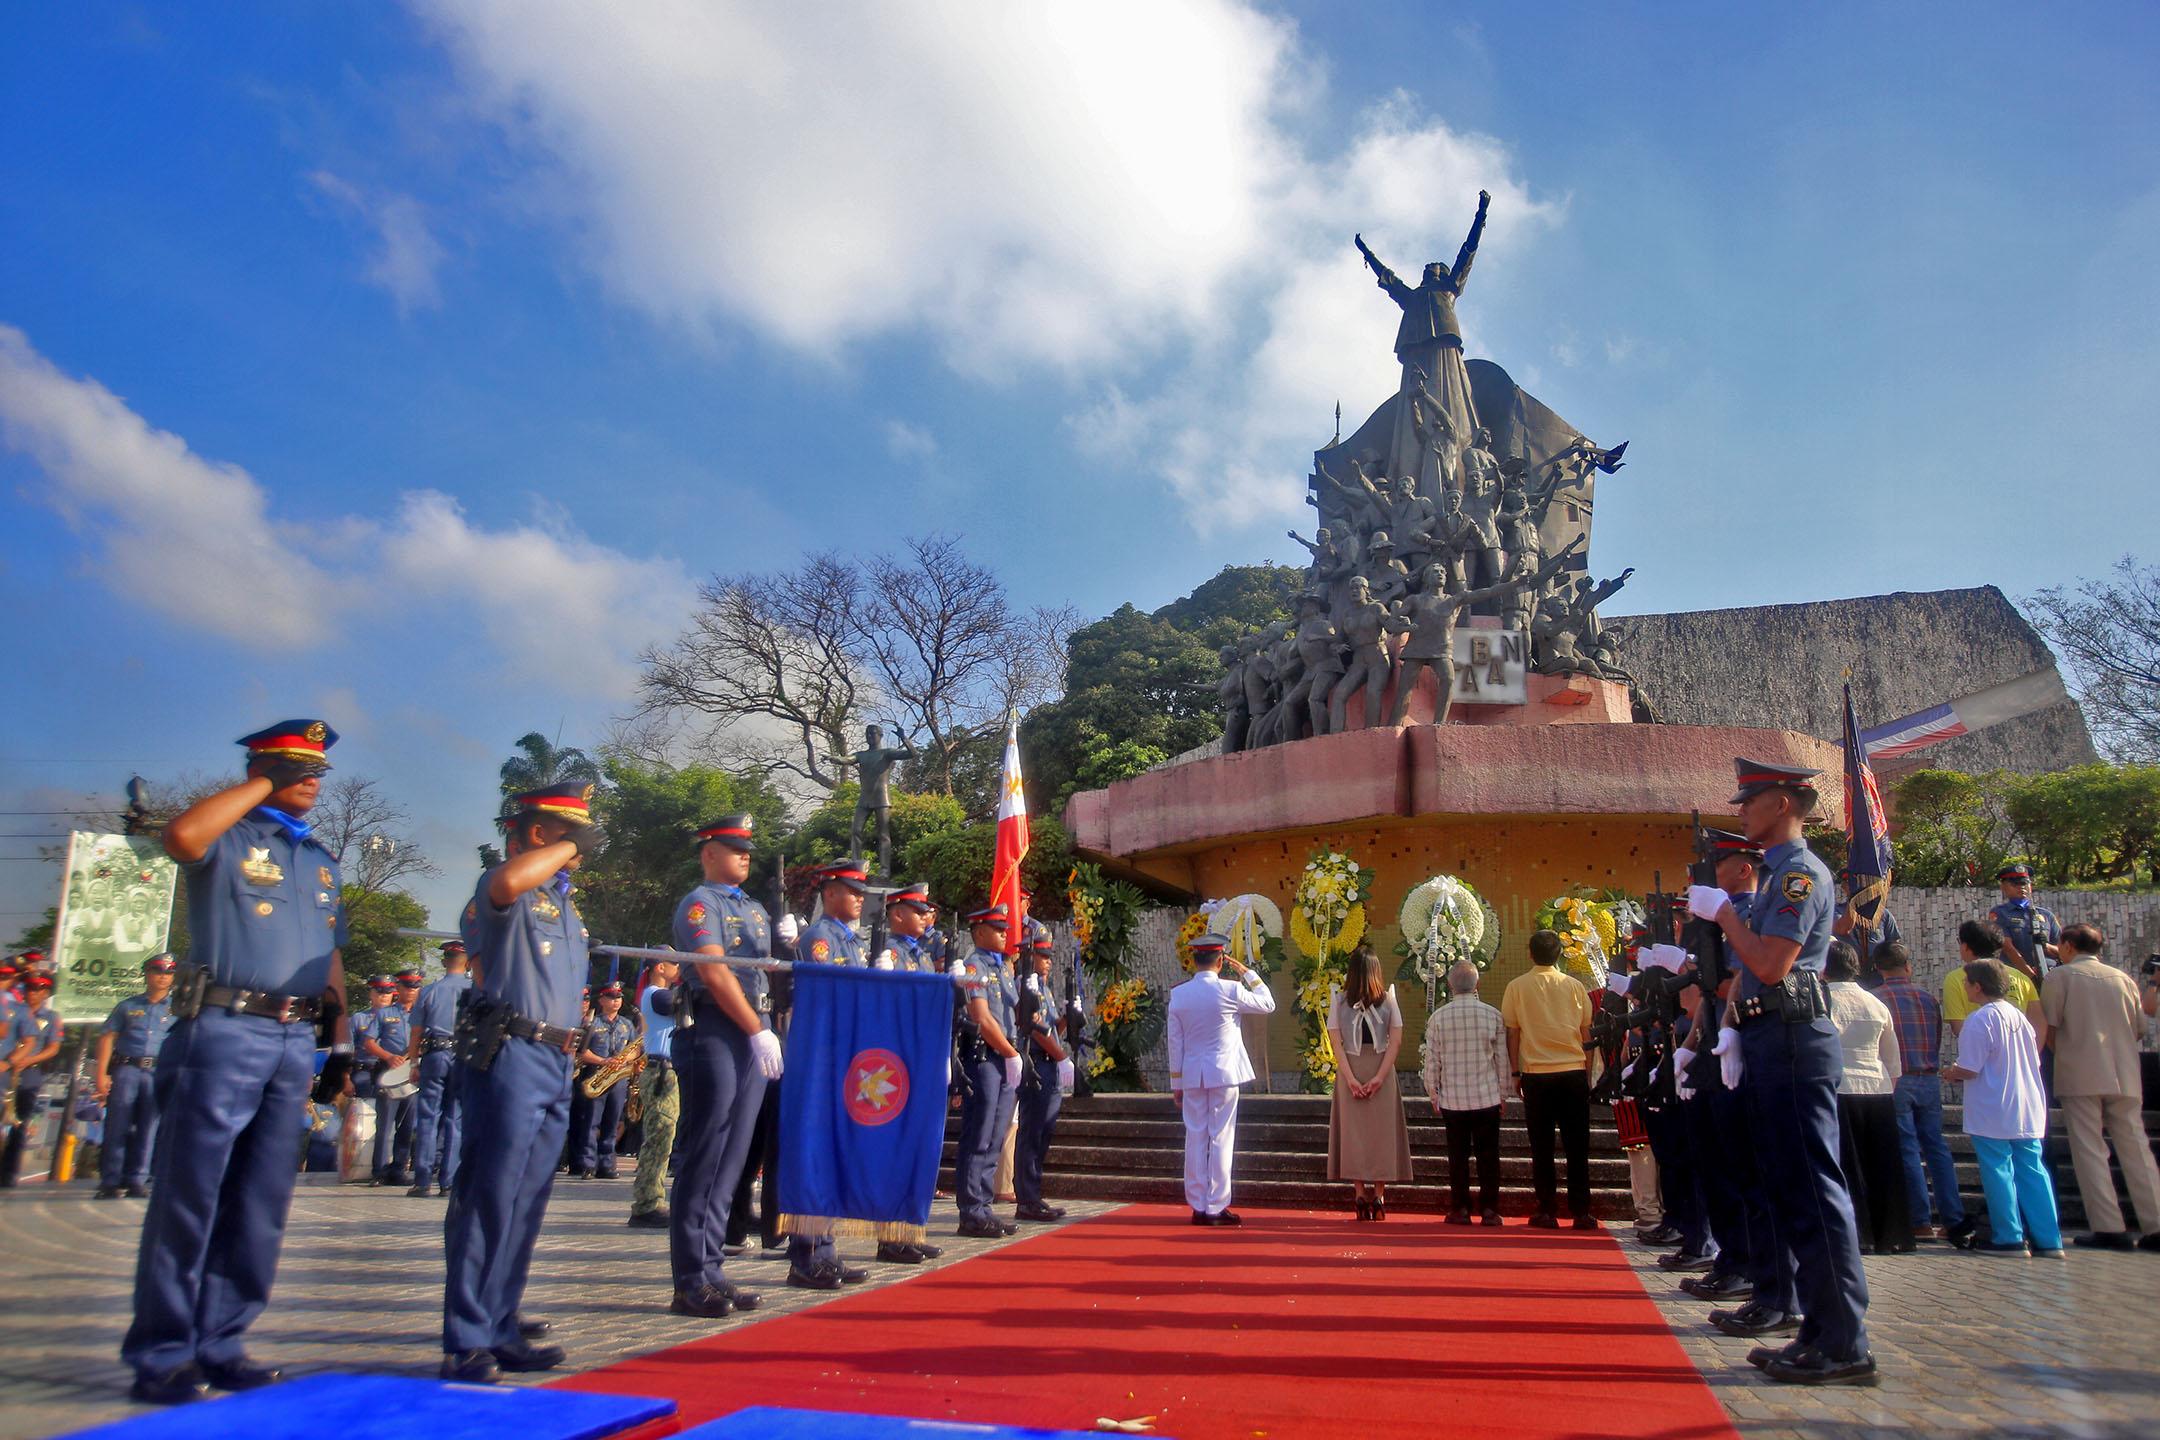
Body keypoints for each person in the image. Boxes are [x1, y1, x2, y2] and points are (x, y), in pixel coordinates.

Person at [123, 719, 349, 1405]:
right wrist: (257, 787)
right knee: (191, 1195)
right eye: (295, 768)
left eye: (315, 771)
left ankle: (222, 1339)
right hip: (224, 1028)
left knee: (261, 1200)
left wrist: (339, 1041)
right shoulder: (228, 836)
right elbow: (181, 838)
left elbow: (331, 956)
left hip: (293, 1039)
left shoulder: (320, 861)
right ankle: (163, 1352)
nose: (311, 780)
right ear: (261, 770)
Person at [1691, 756, 1875, 1386]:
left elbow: (1771, 965)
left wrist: (1725, 915)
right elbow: (1753, 974)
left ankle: (1844, 1341)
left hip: (1795, 1040)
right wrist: (1732, 1029)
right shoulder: (1778, 878)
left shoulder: (1798, 876)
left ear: (1783, 803)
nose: (1742, 812)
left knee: (1813, 1194)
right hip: (1772, 1036)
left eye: (1750, 801)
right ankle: (1820, 1330)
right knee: (1791, 1191)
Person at [440, 780, 600, 1383]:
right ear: (537, 834)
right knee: (489, 1194)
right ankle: (467, 1337)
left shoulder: (565, 907)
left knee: (527, 1201)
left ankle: (501, 1321)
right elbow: (505, 885)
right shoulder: (504, 887)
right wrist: (569, 848)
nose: (581, 846)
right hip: (511, 1050)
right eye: (571, 833)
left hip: (556, 1057)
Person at [668, 814, 790, 1318]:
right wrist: (757, 1028)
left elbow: (770, 973)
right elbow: (715, 973)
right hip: (718, 1027)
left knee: (734, 1157)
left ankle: (712, 1267)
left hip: (751, 1030)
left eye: (747, 850)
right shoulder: (701, 903)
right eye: (734, 848)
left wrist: (790, 941)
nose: (744, 856)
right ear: (708, 852)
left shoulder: (754, 909)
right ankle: (690, 1278)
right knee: (707, 1154)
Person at [2042, 924, 2160, 1251]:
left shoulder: (2059, 977)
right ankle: (2156, 1223)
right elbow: (2139, 1028)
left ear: (2067, 945)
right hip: (2124, 1073)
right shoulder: (2123, 979)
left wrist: (2066, 1052)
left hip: (2079, 1073)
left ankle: (2108, 1226)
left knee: (2090, 1149)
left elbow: (2050, 1027)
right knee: (2137, 1148)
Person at [786, 859, 874, 1285]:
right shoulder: (821, 938)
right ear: (829, 893)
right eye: (852, 891)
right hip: (821, 1055)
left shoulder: (850, 941)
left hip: (845, 1055)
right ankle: (805, 1255)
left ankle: (826, 1249)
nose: (859, 898)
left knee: (833, 1154)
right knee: (815, 1154)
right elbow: (827, 995)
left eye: (861, 892)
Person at [1944, 958, 2062, 1257]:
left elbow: (1970, 1067)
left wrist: (1950, 1072)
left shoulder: (1979, 1019)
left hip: (1993, 1105)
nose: (1965, 986)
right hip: (2027, 1103)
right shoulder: (2019, 1017)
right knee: (2033, 1170)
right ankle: (2049, 1239)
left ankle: (2008, 1236)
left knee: (1998, 1170)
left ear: (1977, 986)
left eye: (1967, 982)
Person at [1166, 932, 1276, 1226]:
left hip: (1192, 1074)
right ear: (1220, 961)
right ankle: (1216, 1204)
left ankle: (1198, 1204)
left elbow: (1175, 1043)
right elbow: (1268, 1004)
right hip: (1225, 1072)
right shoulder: (1231, 989)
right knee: (1221, 1137)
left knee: (1195, 1137)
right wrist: (1248, 974)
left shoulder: (1179, 994)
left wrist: (1176, 1083)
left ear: (1195, 960)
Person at [1872, 942, 1966, 1242]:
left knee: (1907, 1148)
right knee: (1937, 1147)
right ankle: (1953, 1218)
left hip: (1898, 1079)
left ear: (1878, 968)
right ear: (1908, 966)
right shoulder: (1928, 999)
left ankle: (1920, 1220)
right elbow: (1936, 1037)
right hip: (1928, 1077)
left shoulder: (1877, 999)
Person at [1501, 929, 1595, 1230]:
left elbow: (1513, 1033)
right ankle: (1581, 1211)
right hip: (1573, 1071)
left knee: (1541, 1147)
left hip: (1536, 1074)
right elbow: (1586, 1034)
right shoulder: (1575, 987)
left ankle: (1547, 1210)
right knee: (1577, 1146)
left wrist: (1515, 1072)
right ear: (1559, 954)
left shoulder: (1516, 987)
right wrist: (1588, 1072)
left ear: (1530, 954)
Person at [1824, 941, 1911, 1254]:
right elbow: (1892, 1060)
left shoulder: (1822, 1001)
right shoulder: (1876, 1003)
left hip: (1838, 1089)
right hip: (1878, 1088)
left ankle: (1855, 1234)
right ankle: (1890, 1235)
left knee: (1846, 1166)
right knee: (1883, 1167)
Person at [954, 904, 1025, 1238]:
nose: (1004, 935)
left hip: (1004, 1058)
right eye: (997, 930)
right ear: (979, 932)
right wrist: (1011, 1053)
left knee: (996, 1136)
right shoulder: (974, 965)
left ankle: (983, 1206)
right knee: (979, 1135)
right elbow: (981, 1017)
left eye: (1004, 930)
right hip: (985, 1057)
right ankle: (970, 1211)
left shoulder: (1002, 967)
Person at [1327, 944, 1412, 1220]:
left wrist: (1350, 1079)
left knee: (1355, 1134)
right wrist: (1379, 1077)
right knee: (1380, 1134)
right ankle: (1379, 1195)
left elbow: (1336, 1043)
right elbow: (1395, 1041)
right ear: (1376, 971)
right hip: (1380, 1069)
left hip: (1351, 1069)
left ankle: (1359, 1194)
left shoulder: (1339, 1000)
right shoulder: (1388, 1000)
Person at [1421, 959, 1509, 1225]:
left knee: (1457, 1156)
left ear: (1450, 985)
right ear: (1476, 984)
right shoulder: (1492, 1015)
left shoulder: (1438, 1018)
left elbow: (1432, 1060)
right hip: (1486, 1097)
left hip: (1453, 1099)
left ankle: (1460, 1208)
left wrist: (1433, 1092)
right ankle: (1489, 1209)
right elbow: (1502, 1059)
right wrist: (1503, 1093)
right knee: (1488, 1156)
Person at [94, 953, 178, 1199]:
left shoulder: (177, 1009)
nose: (163, 976)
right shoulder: (128, 1006)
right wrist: (101, 1074)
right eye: (157, 971)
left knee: (149, 1126)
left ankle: (137, 1179)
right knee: (116, 1124)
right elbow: (107, 1038)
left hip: (158, 1071)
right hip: (127, 1069)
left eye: (168, 972)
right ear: (147, 973)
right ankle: (110, 1180)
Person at [1012, 927, 1073, 1225]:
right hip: (1036, 1063)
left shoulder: (1042, 988)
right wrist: (1062, 1058)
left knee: (1043, 1133)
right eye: (1043, 955)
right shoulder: (1024, 986)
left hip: (1049, 1063)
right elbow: (1035, 1030)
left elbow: (1052, 1029)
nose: (1048, 961)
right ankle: (1026, 1198)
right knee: (1032, 1133)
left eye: (1049, 956)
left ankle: (1033, 1195)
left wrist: (1068, 1017)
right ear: (1030, 955)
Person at [407, 941, 472, 1198]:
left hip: (434, 1055)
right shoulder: (474, 990)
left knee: (428, 1117)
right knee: (455, 1117)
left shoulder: (428, 991)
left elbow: (416, 1032)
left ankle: (422, 1180)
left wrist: (413, 1063)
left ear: (445, 962)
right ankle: (449, 1181)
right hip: (463, 1056)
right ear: (467, 963)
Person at [629, 952, 680, 1230]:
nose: (679, 969)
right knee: (659, 1137)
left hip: (669, 1071)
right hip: (661, 1071)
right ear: (660, 967)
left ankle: (651, 1199)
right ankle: (646, 1203)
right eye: (676, 964)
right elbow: (675, 1001)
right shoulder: (655, 994)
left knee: (665, 1137)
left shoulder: (661, 994)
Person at [0, 971, 62, 1185]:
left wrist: (29, 1059)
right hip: (5, 1068)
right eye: (29, 987)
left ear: (46, 992)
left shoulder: (51, 1017)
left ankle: (9, 1173)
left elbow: (53, 1047)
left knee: (20, 1121)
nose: (32, 993)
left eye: (38, 989)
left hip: (29, 1071)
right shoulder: (11, 1009)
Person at [573, 983, 636, 1180]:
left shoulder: (627, 1024)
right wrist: (604, 1061)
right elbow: (581, 1051)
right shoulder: (592, 1023)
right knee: (591, 1121)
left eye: (618, 997)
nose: (616, 1001)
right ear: (601, 1000)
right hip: (596, 1075)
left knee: (612, 1122)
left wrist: (625, 1060)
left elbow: (635, 1049)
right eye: (611, 997)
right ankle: (588, 1163)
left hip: (618, 1077)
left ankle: (607, 1164)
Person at [1944, 922, 2042, 1038]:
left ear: (1965, 947)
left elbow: (1959, 1028)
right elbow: (2038, 1023)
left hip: (1979, 1048)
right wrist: (2029, 1049)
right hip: (2020, 1047)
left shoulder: (1954, 979)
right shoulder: (2021, 978)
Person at [1988, 863, 2060, 983]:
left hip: (2050, 976)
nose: (2021, 887)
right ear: (2003, 887)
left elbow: (2063, 949)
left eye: (2024, 883)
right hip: (2018, 978)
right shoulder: (2000, 913)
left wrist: (2046, 945)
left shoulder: (2046, 915)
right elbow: (2008, 947)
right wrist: (2031, 977)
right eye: (2015, 884)